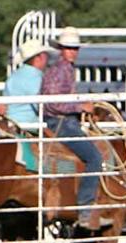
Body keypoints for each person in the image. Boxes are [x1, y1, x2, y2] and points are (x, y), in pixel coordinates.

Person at [42, 27, 102, 229]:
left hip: (65, 121)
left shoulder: (64, 69)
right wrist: (80, 106)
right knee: (94, 157)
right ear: (61, 49)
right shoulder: (60, 70)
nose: (72, 52)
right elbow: (52, 103)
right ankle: (85, 207)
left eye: (74, 48)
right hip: (60, 122)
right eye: (69, 48)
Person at [5, 39, 52, 126]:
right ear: (39, 57)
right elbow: (41, 106)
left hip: (11, 122)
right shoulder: (34, 78)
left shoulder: (15, 75)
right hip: (28, 125)